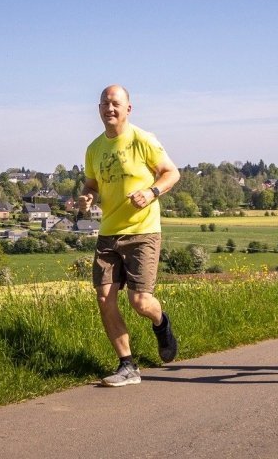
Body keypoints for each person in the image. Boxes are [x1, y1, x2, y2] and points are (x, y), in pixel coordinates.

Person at [78, 84, 181, 387]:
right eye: (104, 104)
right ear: (99, 109)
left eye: (115, 104)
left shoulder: (142, 139)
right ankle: (127, 365)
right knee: (104, 297)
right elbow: (91, 185)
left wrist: (151, 193)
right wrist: (86, 197)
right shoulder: (94, 148)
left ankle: (161, 324)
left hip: (142, 231)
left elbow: (171, 173)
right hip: (109, 233)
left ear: (128, 109)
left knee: (140, 301)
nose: (109, 109)